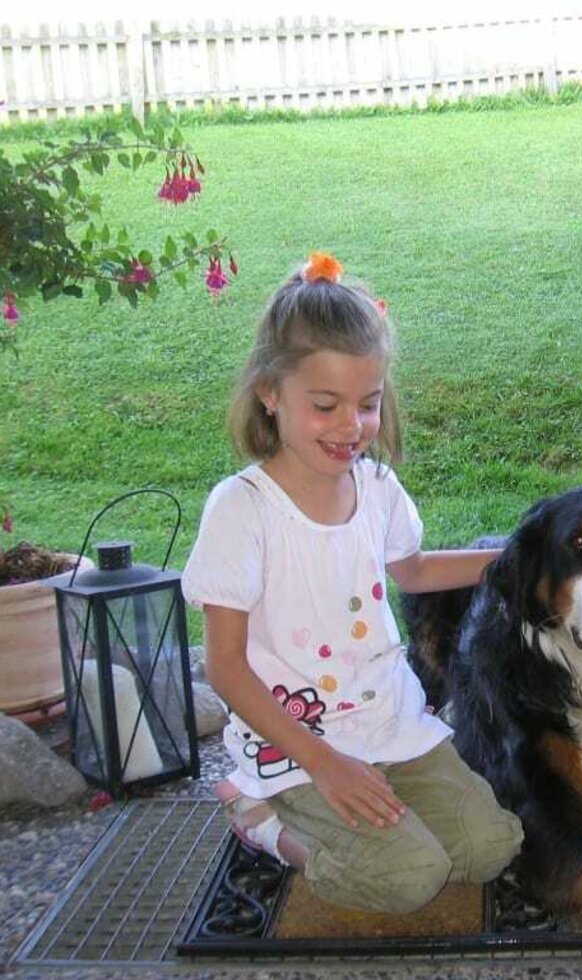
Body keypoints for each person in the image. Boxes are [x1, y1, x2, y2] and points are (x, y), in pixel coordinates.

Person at [182, 252, 523, 914]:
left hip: (389, 726)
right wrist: (325, 764)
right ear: (271, 393)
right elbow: (224, 668)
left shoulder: (376, 488)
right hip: (296, 744)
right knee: (409, 877)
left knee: (491, 847)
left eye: (367, 405)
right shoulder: (241, 509)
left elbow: (414, 572)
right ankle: (265, 821)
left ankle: (368, 816)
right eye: (326, 405)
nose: (351, 427)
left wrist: (512, 556)